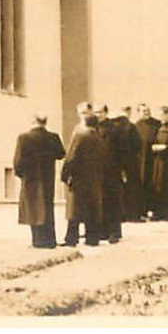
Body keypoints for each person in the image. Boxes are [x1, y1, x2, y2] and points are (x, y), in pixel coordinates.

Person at [12, 113, 65, 248]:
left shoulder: (24, 138)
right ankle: (49, 240)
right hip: (48, 178)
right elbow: (61, 154)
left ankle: (37, 241)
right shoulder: (53, 137)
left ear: (33, 121)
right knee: (48, 207)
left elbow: (18, 161)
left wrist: (20, 174)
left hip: (30, 178)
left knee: (33, 209)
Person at [61, 103, 107, 247]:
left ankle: (71, 238)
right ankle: (92, 238)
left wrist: (65, 174)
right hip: (95, 178)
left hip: (79, 178)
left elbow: (71, 157)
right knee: (92, 208)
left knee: (75, 210)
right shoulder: (99, 138)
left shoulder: (80, 135)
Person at [95, 105, 125, 243]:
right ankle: (101, 231)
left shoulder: (115, 128)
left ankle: (114, 232)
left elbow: (122, 149)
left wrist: (121, 168)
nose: (98, 115)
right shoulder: (93, 128)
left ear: (106, 113)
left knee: (112, 200)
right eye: (95, 112)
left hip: (112, 169)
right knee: (100, 200)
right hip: (98, 169)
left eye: (100, 112)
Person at [114, 105, 146, 224]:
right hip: (130, 161)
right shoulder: (131, 127)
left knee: (119, 188)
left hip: (116, 161)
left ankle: (121, 214)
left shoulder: (113, 126)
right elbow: (137, 145)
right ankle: (133, 214)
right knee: (132, 188)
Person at [134, 104, 161, 219]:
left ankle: (155, 210)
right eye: (144, 111)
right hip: (141, 160)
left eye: (148, 110)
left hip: (154, 159)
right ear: (139, 112)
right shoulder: (136, 126)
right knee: (142, 184)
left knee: (155, 183)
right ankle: (143, 210)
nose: (146, 112)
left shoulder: (157, 124)